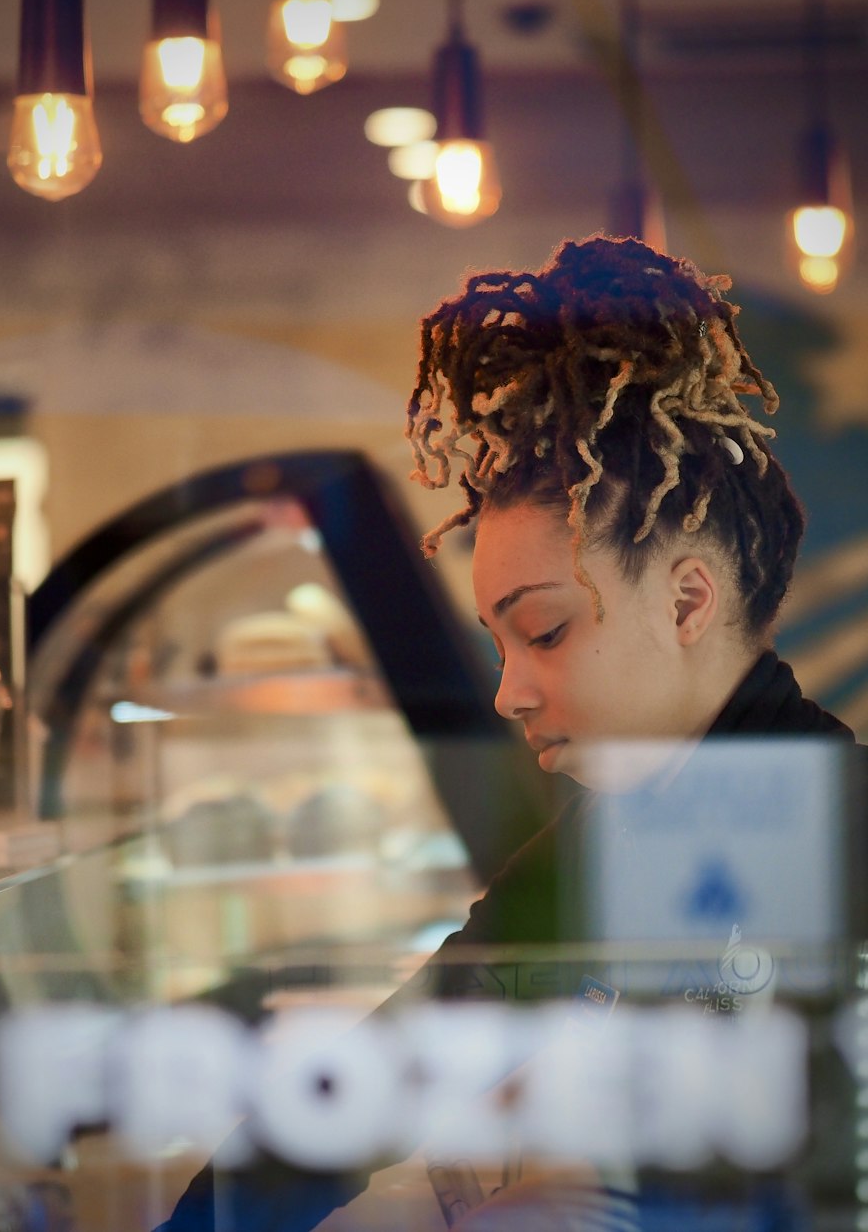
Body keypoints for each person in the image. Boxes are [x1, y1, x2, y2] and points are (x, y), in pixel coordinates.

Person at [157, 234, 864, 1231]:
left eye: (545, 631)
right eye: (500, 643)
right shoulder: (609, 840)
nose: (509, 692)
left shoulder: (841, 840)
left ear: (687, 598)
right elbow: (374, 1074)